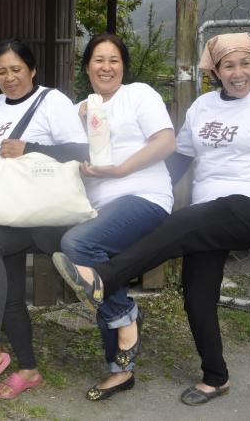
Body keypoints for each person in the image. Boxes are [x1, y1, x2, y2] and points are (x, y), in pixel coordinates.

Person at [52, 32, 250, 406]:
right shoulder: (202, 107)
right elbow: (181, 158)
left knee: (186, 223)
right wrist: (152, 196)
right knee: (197, 295)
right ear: (215, 70)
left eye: (245, 64)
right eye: (228, 66)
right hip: (205, 214)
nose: (238, 73)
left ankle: (104, 279)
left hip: (249, 206)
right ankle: (216, 377)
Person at [0, 38, 88, 399]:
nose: (9, 77)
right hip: (5, 209)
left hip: (45, 216)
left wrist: (31, 148)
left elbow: (81, 150)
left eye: (16, 69)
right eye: (2, 71)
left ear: (32, 70)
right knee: (7, 288)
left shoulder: (53, 101)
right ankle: (28, 370)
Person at [59, 33, 175, 401]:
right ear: (87, 66)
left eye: (114, 60)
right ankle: (120, 370)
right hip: (101, 207)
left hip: (144, 196)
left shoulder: (139, 95)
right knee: (94, 276)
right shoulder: (80, 109)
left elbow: (166, 142)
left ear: (123, 66)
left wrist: (121, 169)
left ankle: (125, 315)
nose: (106, 67)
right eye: (98, 60)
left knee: (77, 244)